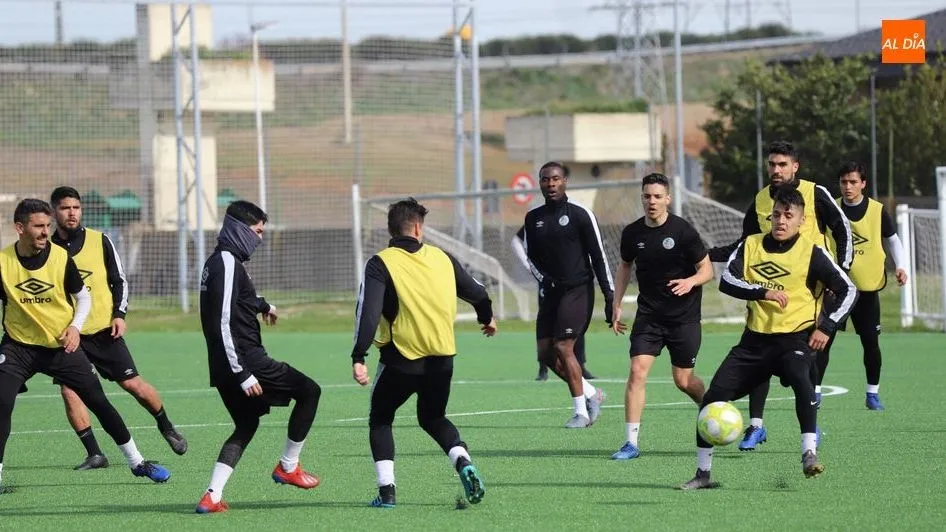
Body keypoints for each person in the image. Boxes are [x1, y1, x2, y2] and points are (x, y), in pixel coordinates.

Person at [679, 186, 856, 490]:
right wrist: (763, 292)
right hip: (754, 343)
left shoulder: (812, 252)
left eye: (788, 215)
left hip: (794, 341)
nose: (781, 220)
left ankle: (808, 454)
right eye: (776, 214)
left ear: (801, 221)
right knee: (711, 399)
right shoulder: (751, 244)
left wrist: (826, 327)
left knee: (802, 380)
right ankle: (703, 474)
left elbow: (848, 289)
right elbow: (728, 280)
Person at [0, 199, 170, 490]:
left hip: (60, 346)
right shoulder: (3, 262)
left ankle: (137, 462)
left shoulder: (60, 258)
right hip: (18, 347)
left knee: (99, 402)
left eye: (47, 226)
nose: (45, 232)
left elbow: (84, 297)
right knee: (2, 403)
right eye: (38, 226)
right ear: (20, 228)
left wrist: (75, 328)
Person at [350, 198, 496, 508]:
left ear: (392, 229)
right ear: (418, 228)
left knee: (381, 419)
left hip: (401, 360)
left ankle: (387, 493)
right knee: (433, 417)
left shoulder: (380, 263)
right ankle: (463, 461)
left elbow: (369, 312)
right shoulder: (442, 257)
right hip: (442, 360)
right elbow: (478, 293)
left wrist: (359, 356)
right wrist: (486, 317)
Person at [708, 140, 852, 451]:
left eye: (783, 164)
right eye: (772, 164)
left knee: (810, 363)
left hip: (813, 292)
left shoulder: (815, 193)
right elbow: (744, 243)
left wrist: (841, 270)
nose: (776, 169)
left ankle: (811, 424)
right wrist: (705, 255)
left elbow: (842, 230)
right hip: (768, 294)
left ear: (795, 167)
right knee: (761, 353)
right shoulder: (760, 200)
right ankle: (756, 425)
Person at [195, 200, 323, 514]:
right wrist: (242, 372)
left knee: (246, 424)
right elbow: (221, 322)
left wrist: (263, 305)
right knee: (309, 391)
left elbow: (238, 298)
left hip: (222, 365)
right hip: (245, 361)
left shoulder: (221, 262)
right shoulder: (227, 263)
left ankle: (212, 495)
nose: (260, 239)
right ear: (239, 229)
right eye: (258, 231)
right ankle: (288, 467)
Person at [48, 186, 186, 471]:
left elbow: (119, 280)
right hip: (71, 336)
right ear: (54, 212)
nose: (71, 213)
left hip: (104, 331)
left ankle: (166, 425)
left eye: (76, 207)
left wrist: (119, 315)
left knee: (132, 384)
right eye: (65, 208)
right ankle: (95, 453)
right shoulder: (48, 250)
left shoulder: (100, 241)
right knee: (69, 391)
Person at [609, 173, 715, 460]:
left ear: (668, 198)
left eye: (657, 196)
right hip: (649, 317)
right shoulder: (632, 233)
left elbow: (707, 270)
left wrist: (691, 282)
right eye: (647, 196)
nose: (652, 201)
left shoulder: (683, 231)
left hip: (684, 318)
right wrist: (616, 303)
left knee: (683, 381)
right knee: (637, 371)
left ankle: (709, 406)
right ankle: (631, 443)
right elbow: (624, 266)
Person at [522, 161, 611, 428]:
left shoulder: (581, 214)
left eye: (556, 179)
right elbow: (530, 258)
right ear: (540, 183)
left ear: (565, 182)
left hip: (578, 290)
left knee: (563, 347)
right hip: (550, 294)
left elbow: (599, 257)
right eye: (545, 179)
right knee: (546, 354)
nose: (551, 184)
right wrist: (545, 281)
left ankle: (581, 413)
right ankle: (592, 394)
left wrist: (609, 297)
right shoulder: (533, 218)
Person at [818, 161, 908, 410]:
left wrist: (901, 266)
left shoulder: (877, 211)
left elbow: (893, 240)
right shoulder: (830, 208)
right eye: (843, 182)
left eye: (853, 182)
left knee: (870, 343)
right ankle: (814, 393)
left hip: (866, 290)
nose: (848, 187)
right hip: (836, 289)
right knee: (823, 341)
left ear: (863, 184)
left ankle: (872, 394)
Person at [512, 225, 595, 381]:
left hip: (573, 280)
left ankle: (580, 366)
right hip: (548, 281)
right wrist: (530, 267)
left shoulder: (576, 217)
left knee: (575, 321)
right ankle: (543, 368)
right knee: (547, 322)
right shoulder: (537, 218)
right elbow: (516, 241)